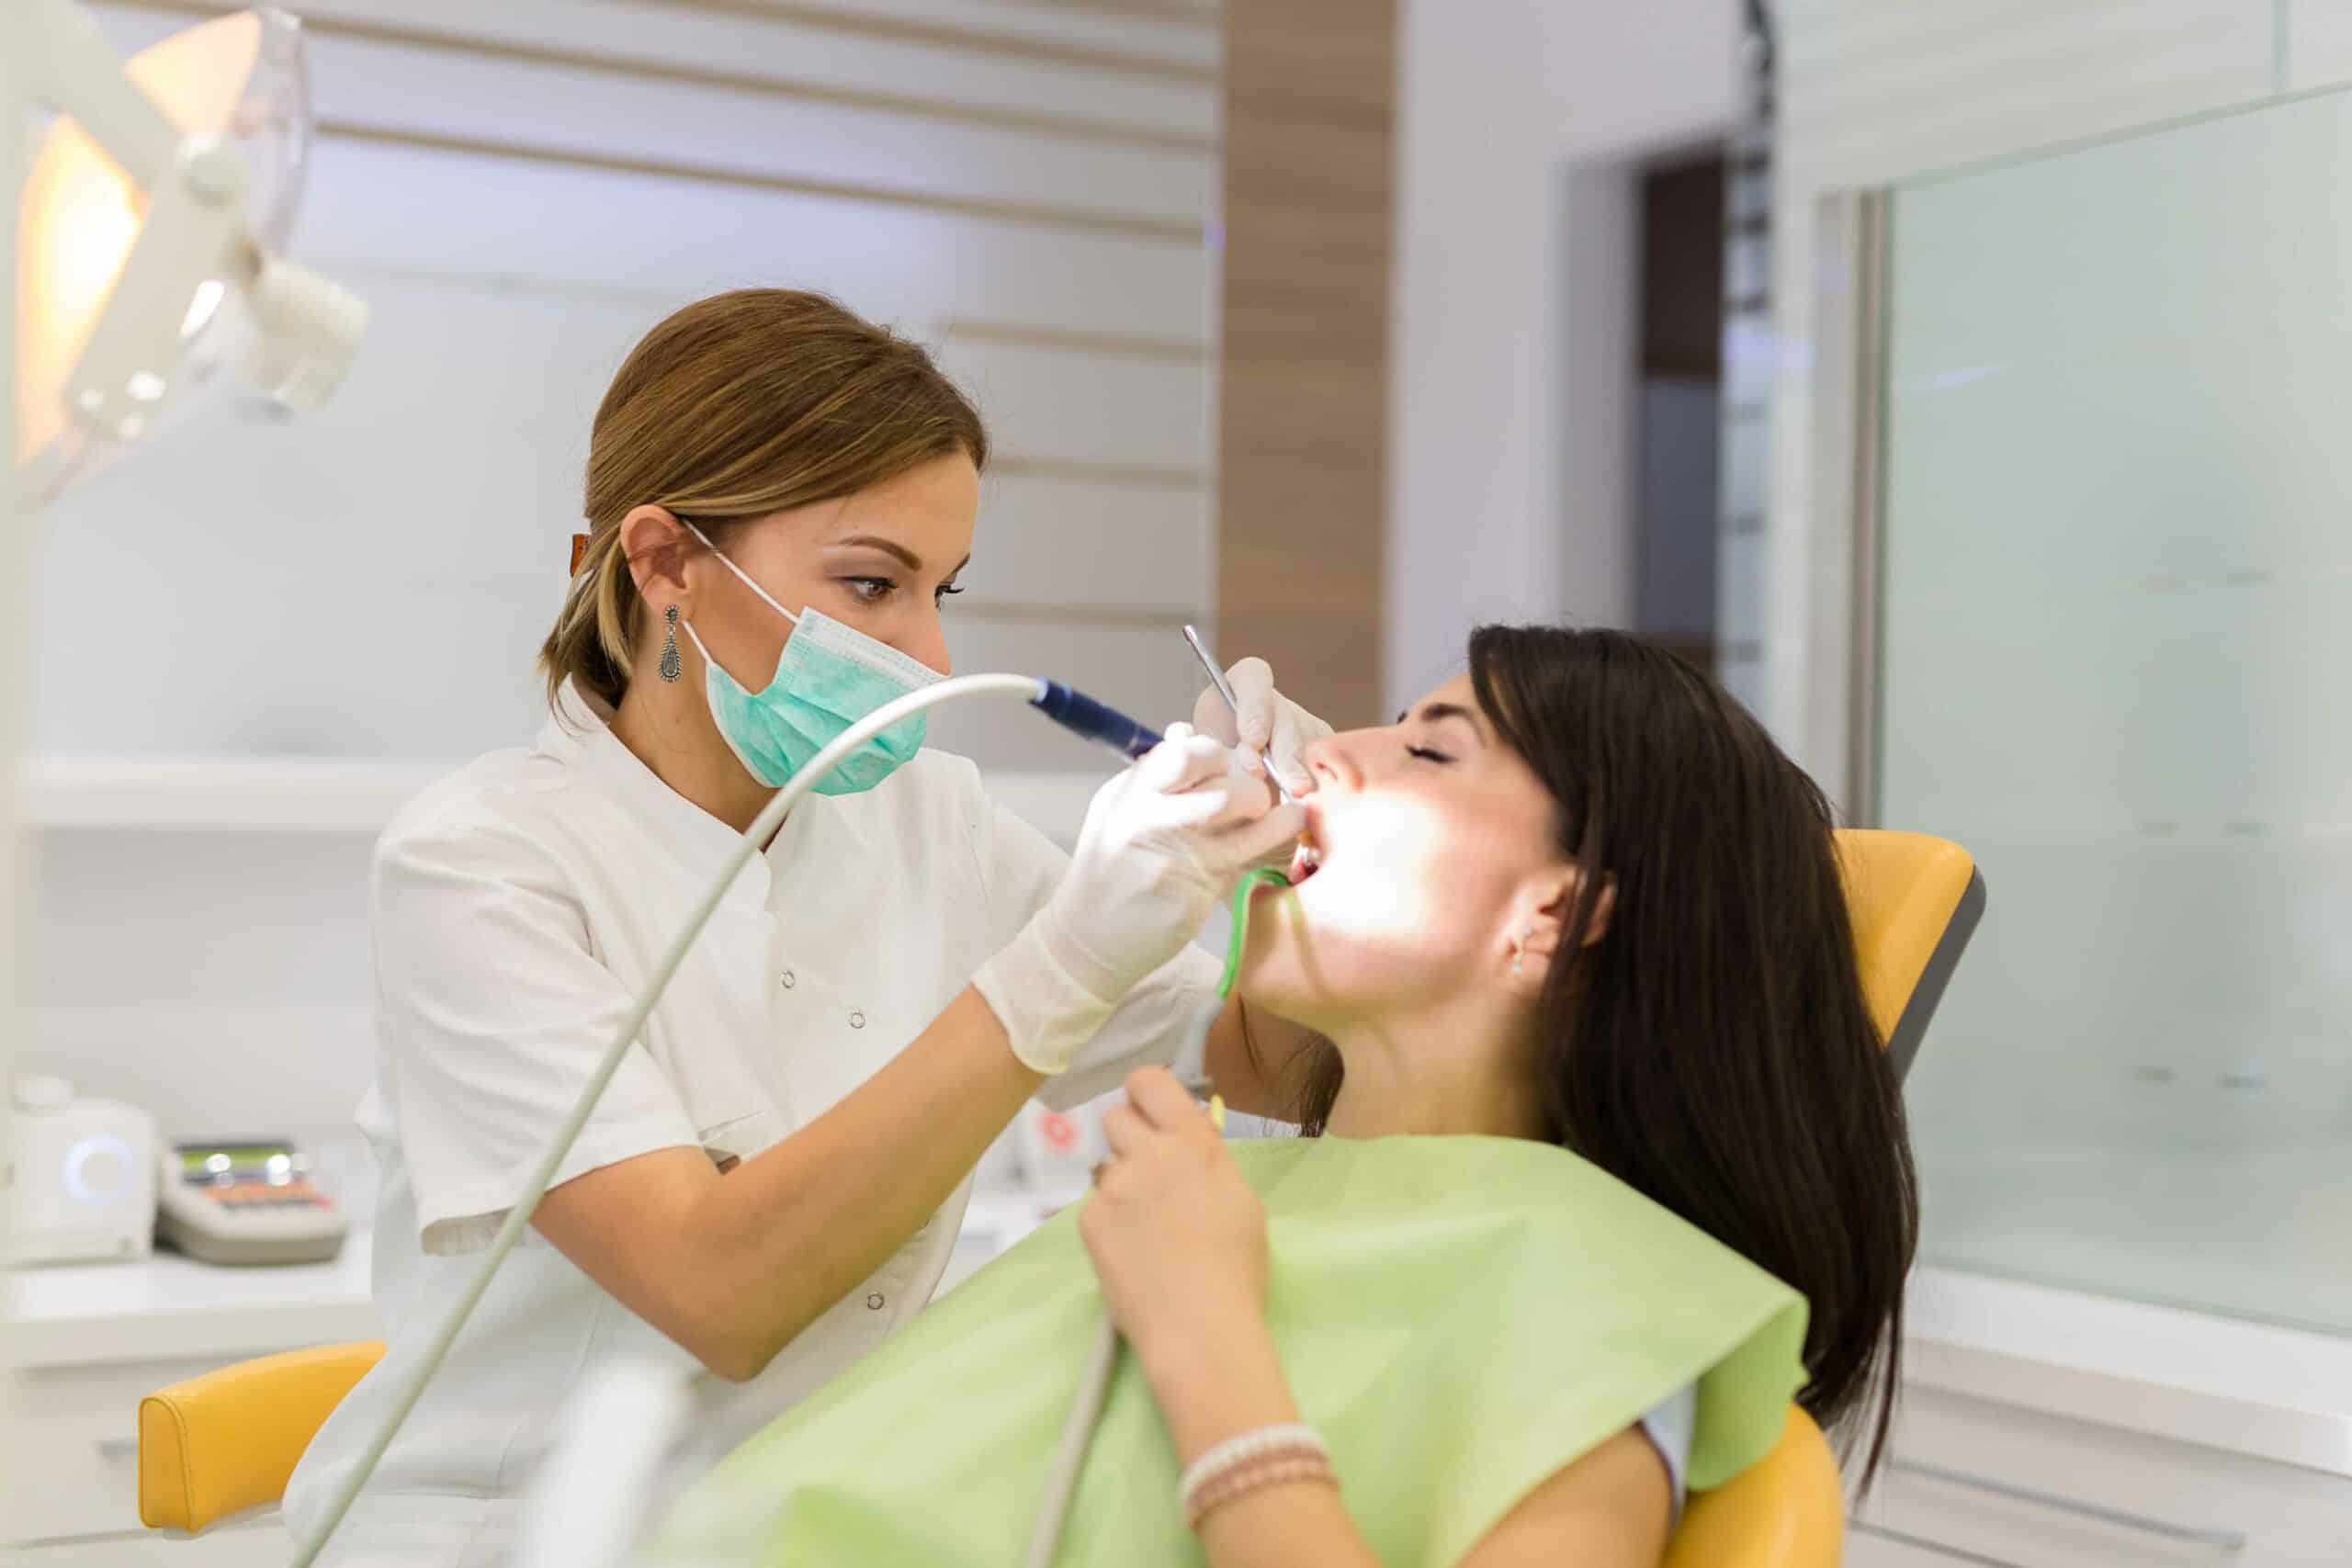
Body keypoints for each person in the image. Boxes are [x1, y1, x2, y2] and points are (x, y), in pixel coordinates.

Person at [283, 288, 1330, 1567]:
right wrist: (1065, 958)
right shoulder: (482, 865)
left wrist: (1298, 868)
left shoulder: (930, 818)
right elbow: (720, 1295)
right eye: (873, 584)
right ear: (664, 561)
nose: (928, 650)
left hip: (809, 1523)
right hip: (526, 1536)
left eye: (942, 590)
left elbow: (1267, 1059)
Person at [647, 625, 1919, 1568]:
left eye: (1428, 746)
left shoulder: (1608, 1296)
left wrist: (1203, 1326)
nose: (1329, 759)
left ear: (1559, 911)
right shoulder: (1230, 1187)